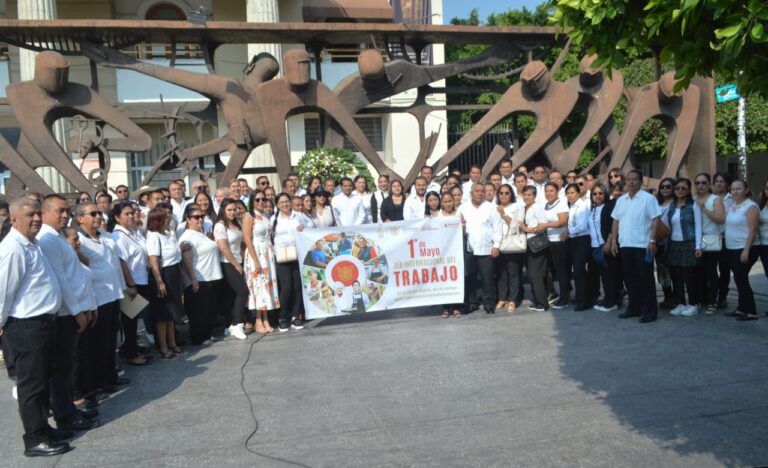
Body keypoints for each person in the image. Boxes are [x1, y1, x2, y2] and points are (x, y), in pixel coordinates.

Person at [0, 198, 73, 457]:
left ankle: (43, 428)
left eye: (37, 215)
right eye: (29, 215)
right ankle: (34, 439)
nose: (36, 219)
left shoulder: (32, 244)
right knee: (31, 386)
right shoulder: (12, 249)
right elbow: (3, 292)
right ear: (14, 219)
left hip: (43, 323)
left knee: (42, 382)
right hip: (26, 327)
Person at [37, 196, 100, 439]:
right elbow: (60, 280)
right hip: (64, 312)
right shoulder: (48, 240)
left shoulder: (57, 237)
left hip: (73, 308)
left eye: (67, 211)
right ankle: (65, 416)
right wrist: (76, 311)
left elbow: (76, 274)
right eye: (59, 211)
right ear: (44, 213)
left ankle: (69, 412)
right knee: (61, 370)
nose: (64, 215)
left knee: (64, 368)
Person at [76, 202, 128, 391]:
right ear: (80, 218)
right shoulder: (79, 241)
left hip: (113, 294)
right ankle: (99, 381)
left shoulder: (104, 236)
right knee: (98, 342)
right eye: (93, 213)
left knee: (110, 340)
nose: (98, 216)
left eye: (99, 213)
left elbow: (116, 262)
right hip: (97, 297)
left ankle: (110, 374)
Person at [609, 169, 662, 323]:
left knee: (645, 279)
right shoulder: (621, 200)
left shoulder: (648, 199)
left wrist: (653, 241)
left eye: (635, 179)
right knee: (630, 279)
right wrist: (613, 240)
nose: (631, 182)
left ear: (640, 182)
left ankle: (650, 311)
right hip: (625, 244)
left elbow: (656, 220)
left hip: (642, 245)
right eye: (629, 179)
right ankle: (634, 308)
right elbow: (615, 220)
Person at [109, 201, 151, 366]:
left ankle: (130, 347)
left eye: (133, 212)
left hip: (142, 279)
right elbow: (122, 262)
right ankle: (131, 354)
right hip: (132, 283)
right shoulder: (118, 236)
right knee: (130, 321)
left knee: (133, 318)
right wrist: (131, 284)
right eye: (127, 214)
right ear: (117, 217)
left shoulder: (134, 232)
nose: (131, 216)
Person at [179, 206, 223, 345]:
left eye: (201, 217)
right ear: (188, 220)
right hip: (199, 278)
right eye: (196, 217)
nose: (200, 219)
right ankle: (198, 338)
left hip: (211, 276)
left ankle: (207, 334)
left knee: (209, 309)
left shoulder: (202, 233)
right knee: (199, 311)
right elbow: (186, 259)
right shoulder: (187, 237)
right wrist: (193, 279)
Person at [146, 207, 185, 358]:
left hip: (173, 272)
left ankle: (172, 342)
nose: (168, 219)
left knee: (171, 313)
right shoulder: (154, 236)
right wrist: (159, 281)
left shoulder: (168, 233)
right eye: (165, 217)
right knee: (162, 314)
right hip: (163, 274)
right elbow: (153, 259)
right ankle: (163, 346)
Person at [458, 183, 502, 314]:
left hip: (486, 249)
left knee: (487, 278)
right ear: (471, 193)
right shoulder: (462, 208)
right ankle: (472, 303)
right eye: (476, 191)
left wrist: (496, 245)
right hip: (469, 249)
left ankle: (489, 304)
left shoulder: (491, 207)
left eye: (482, 191)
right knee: (469, 278)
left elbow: (497, 228)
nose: (479, 193)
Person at [242, 192, 279, 334]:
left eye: (264, 199)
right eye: (258, 199)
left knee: (266, 287)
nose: (261, 201)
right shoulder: (248, 216)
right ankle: (258, 320)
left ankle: (266, 320)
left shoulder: (266, 216)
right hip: (256, 253)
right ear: (252, 201)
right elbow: (247, 239)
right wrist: (256, 261)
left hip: (267, 253)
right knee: (258, 287)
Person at [723, 179, 760, 321]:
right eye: (732, 189)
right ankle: (741, 308)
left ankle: (751, 311)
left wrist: (746, 250)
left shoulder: (750, 206)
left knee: (741, 279)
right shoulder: (732, 205)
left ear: (746, 190)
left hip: (744, 248)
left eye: (738, 188)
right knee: (739, 279)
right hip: (732, 247)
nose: (735, 191)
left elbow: (753, 229)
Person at [666, 178, 703, 317]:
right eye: (677, 188)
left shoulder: (694, 205)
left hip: (689, 243)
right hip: (674, 244)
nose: (680, 190)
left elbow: (698, 226)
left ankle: (693, 304)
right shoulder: (671, 206)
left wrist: (698, 246)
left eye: (683, 188)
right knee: (677, 276)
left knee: (689, 276)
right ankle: (681, 303)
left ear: (688, 190)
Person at [214, 198, 249, 340]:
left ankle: (229, 325)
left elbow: (240, 245)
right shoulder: (220, 226)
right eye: (229, 209)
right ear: (223, 210)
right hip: (228, 263)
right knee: (242, 292)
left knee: (232, 295)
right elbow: (223, 248)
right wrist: (235, 264)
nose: (233, 212)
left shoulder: (237, 223)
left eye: (235, 209)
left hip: (239, 261)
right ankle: (238, 324)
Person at [272, 193, 305, 332]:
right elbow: (271, 237)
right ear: (277, 205)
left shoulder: (298, 216)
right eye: (281, 202)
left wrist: (302, 230)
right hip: (282, 256)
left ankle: (295, 316)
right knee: (286, 287)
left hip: (297, 255)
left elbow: (307, 231)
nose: (284, 204)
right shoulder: (274, 219)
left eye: (286, 201)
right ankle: (282, 317)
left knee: (297, 286)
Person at [694, 173, 726, 315]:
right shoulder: (693, 199)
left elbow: (720, 219)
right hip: (696, 241)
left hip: (710, 240)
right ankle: (703, 299)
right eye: (698, 183)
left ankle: (713, 301)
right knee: (698, 272)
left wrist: (704, 209)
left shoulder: (715, 200)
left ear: (709, 185)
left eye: (703, 182)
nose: (700, 185)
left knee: (711, 272)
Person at [589, 183, 620, 312]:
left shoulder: (609, 207)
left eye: (601, 193)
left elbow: (612, 226)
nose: (598, 196)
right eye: (595, 194)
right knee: (604, 276)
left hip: (606, 245)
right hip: (595, 246)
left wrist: (608, 242)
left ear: (605, 194)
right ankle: (608, 299)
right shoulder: (592, 209)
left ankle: (612, 302)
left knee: (610, 276)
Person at [495, 184, 525, 314]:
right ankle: (502, 297)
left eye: (507, 193)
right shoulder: (494, 207)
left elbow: (516, 226)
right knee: (501, 273)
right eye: (501, 193)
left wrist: (503, 215)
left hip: (512, 244)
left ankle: (513, 299)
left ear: (511, 194)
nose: (504, 195)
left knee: (514, 272)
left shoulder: (517, 207)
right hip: (498, 244)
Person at [519, 186, 550, 311]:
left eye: (529, 195)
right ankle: (538, 301)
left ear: (534, 196)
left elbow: (543, 225)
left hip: (537, 245)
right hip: (529, 245)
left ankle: (542, 303)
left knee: (536, 274)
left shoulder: (537, 207)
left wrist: (528, 229)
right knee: (532, 274)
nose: (527, 197)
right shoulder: (526, 208)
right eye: (525, 194)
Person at [565, 183, 593, 311]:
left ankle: (584, 301)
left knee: (579, 270)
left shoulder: (582, 206)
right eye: (568, 193)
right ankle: (582, 298)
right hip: (573, 240)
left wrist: (568, 232)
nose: (570, 195)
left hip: (582, 239)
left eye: (572, 193)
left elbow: (582, 226)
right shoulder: (570, 206)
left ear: (578, 193)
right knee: (577, 271)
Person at [542, 182, 570, 308]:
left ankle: (564, 298)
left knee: (561, 271)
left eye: (551, 190)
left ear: (557, 191)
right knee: (553, 271)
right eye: (546, 191)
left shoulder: (561, 203)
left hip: (559, 241)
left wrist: (546, 225)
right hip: (550, 241)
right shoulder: (547, 205)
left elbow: (563, 221)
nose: (548, 193)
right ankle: (558, 294)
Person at [712, 172, 733, 308]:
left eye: (722, 181)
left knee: (725, 268)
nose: (719, 184)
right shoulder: (710, 198)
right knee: (710, 269)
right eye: (717, 181)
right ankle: (712, 294)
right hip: (711, 237)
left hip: (726, 238)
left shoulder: (732, 199)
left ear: (727, 184)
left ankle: (723, 295)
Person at [655, 178, 676, 309]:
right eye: (662, 187)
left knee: (675, 272)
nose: (665, 189)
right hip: (659, 242)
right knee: (662, 271)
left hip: (674, 241)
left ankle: (676, 297)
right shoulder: (656, 203)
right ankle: (667, 297)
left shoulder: (676, 203)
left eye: (668, 187)